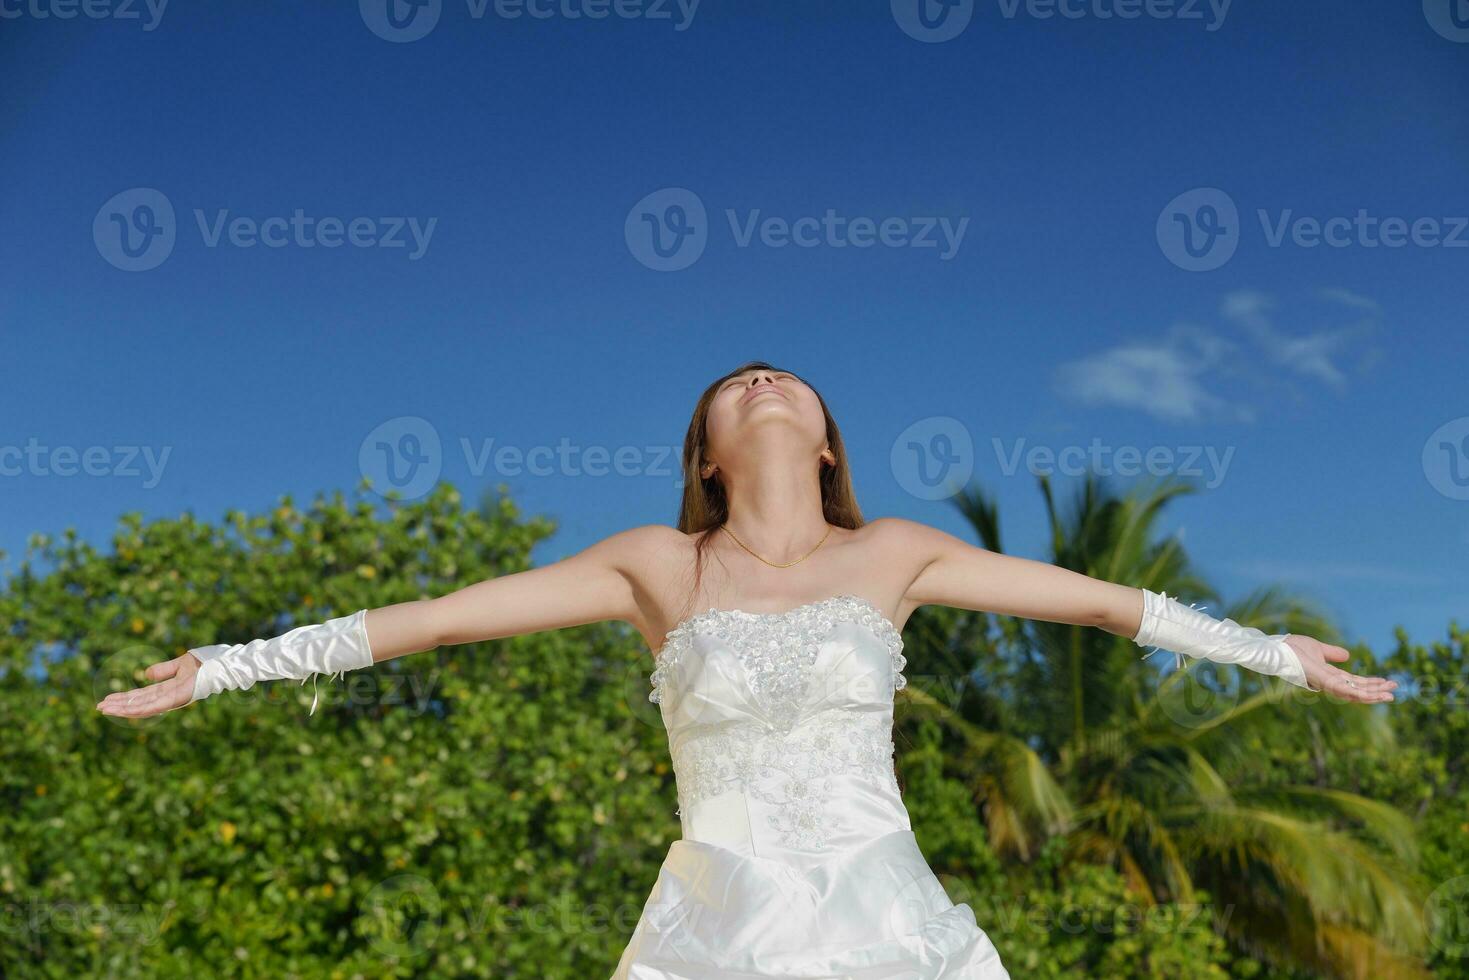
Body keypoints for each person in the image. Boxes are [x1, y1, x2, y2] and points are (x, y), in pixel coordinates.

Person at [96, 361, 1396, 978]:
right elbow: (437, 617)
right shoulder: (654, 567)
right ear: (709, 454)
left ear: (826, 442)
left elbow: (1102, 605)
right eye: (736, 386)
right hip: (714, 934)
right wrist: (225, 665)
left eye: (787, 381)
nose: (765, 381)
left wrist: (1271, 654)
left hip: (889, 925)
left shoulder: (893, 553)